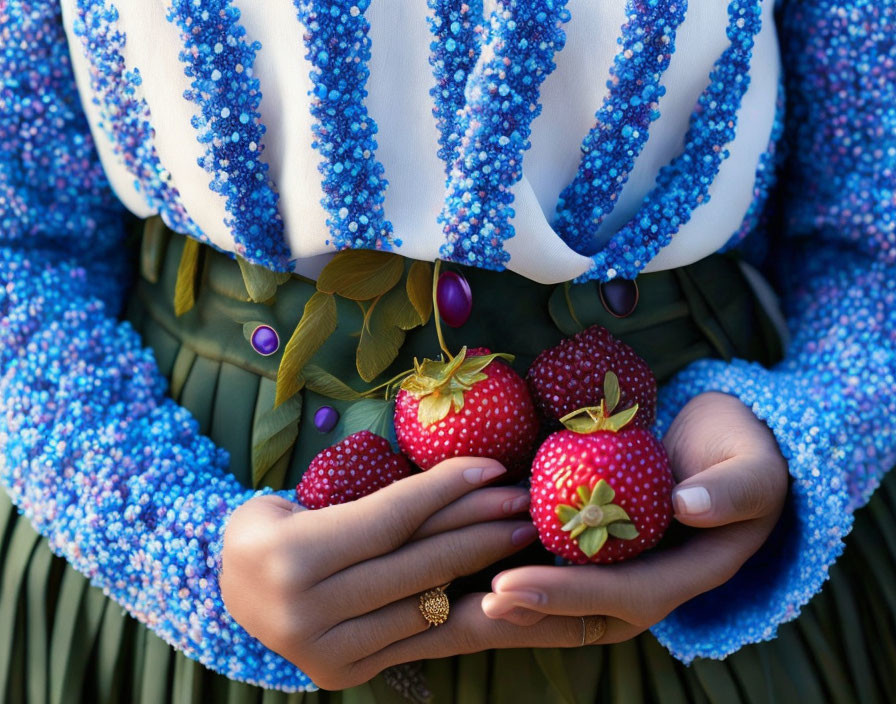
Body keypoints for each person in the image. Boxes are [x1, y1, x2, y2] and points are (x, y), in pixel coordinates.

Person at [0, 0, 893, 701]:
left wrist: (808, 428)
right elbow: (20, 241)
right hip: (192, 546)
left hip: (679, 566)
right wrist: (176, 538)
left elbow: (873, 229)